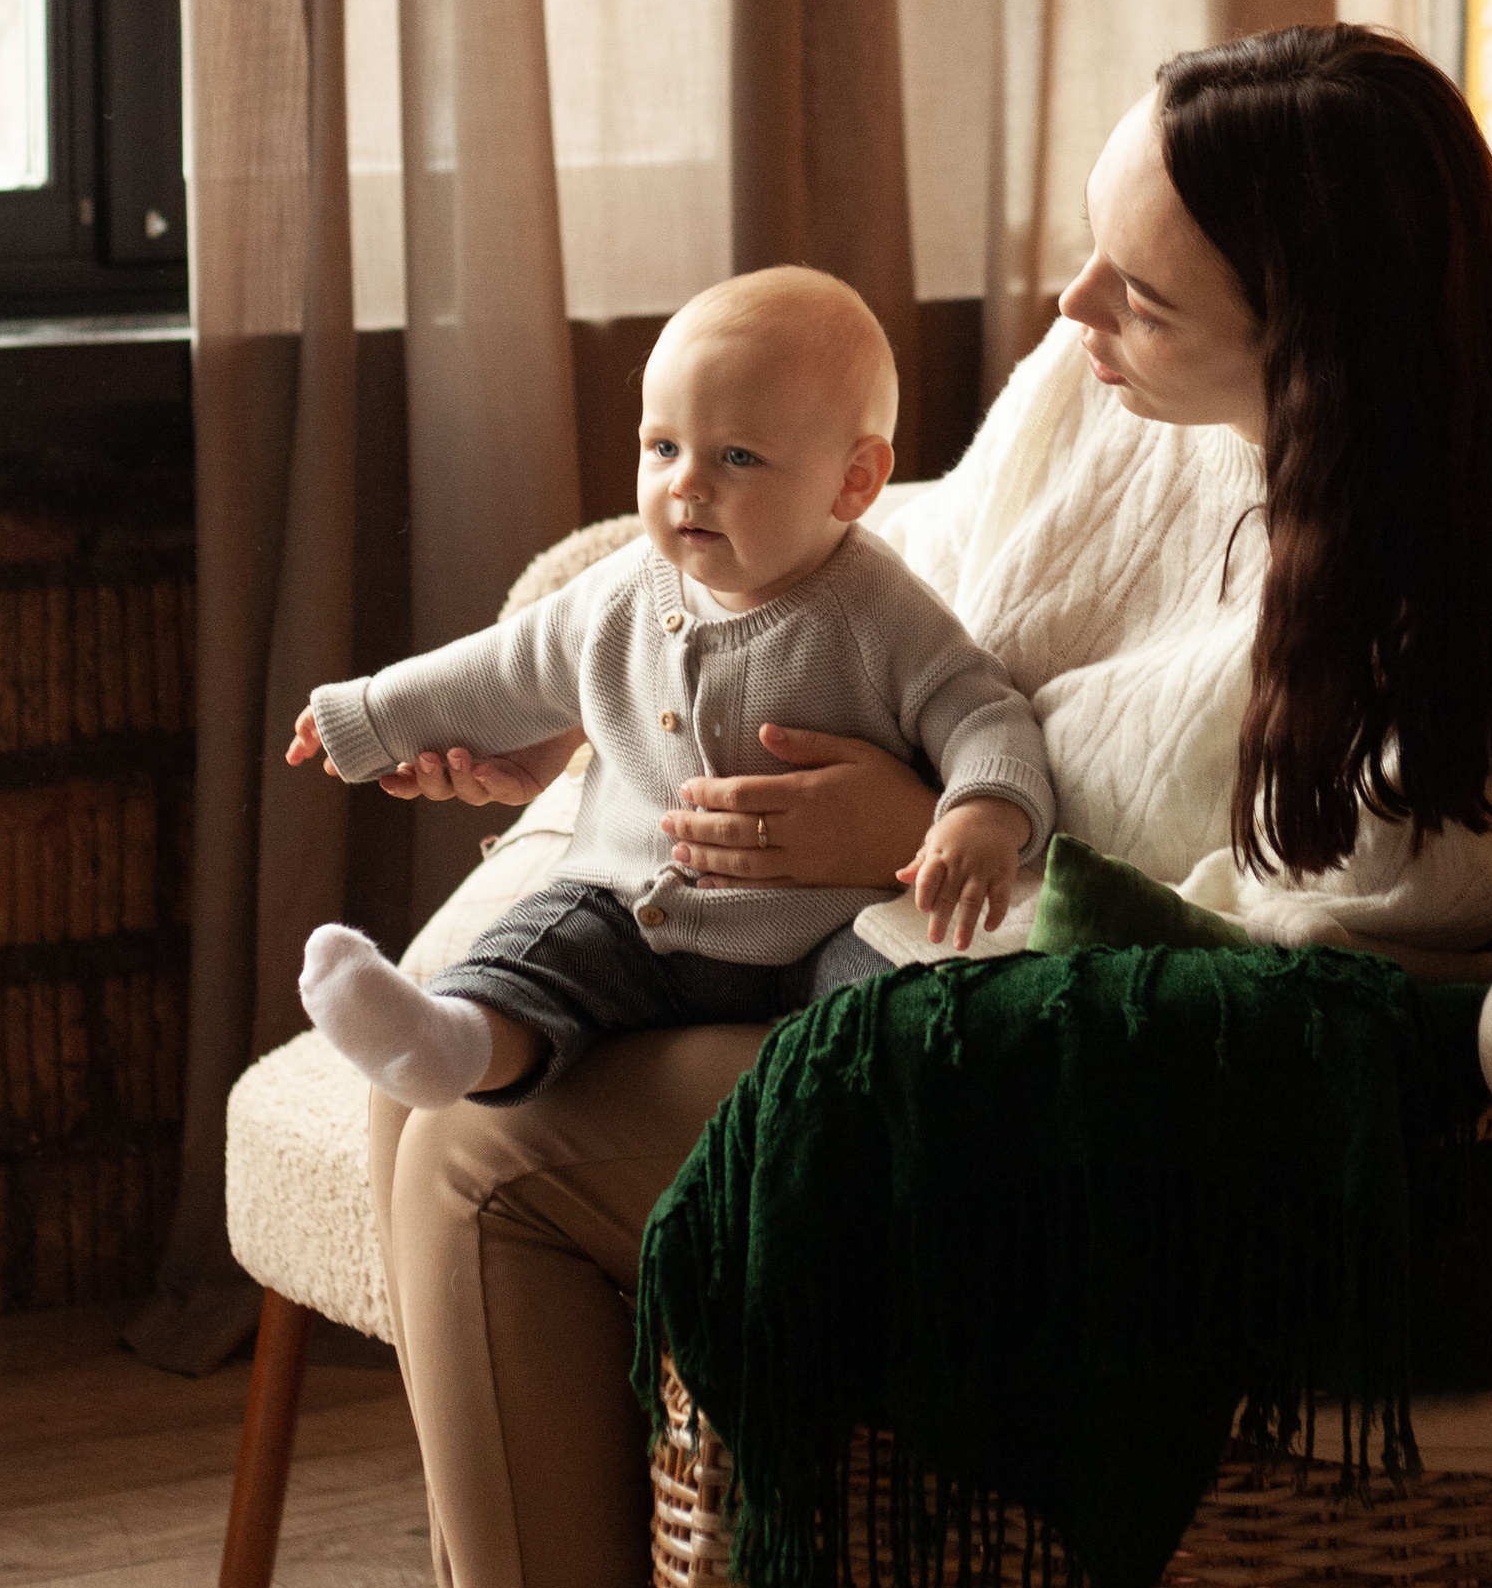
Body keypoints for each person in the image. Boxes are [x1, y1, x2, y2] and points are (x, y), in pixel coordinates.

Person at [367, 25, 1492, 1588]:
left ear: (1315, 336)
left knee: (479, 1159)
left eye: (1133, 292)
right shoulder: (1158, 421)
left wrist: (913, 843)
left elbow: (1257, 1049)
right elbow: (906, 602)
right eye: (1088, 257)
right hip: (917, 1006)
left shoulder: (1451, 669)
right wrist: (640, 723)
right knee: (477, 1068)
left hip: (1124, 1159)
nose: (1067, 316)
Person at [287, 266, 1054, 1114]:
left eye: (737, 456)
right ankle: (455, 1042)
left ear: (855, 480)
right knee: (542, 951)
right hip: (627, 908)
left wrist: (985, 813)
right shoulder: (619, 591)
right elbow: (506, 666)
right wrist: (366, 717)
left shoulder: (882, 612)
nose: (686, 483)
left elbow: (984, 713)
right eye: (662, 448)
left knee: (891, 1000)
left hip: (818, 927)